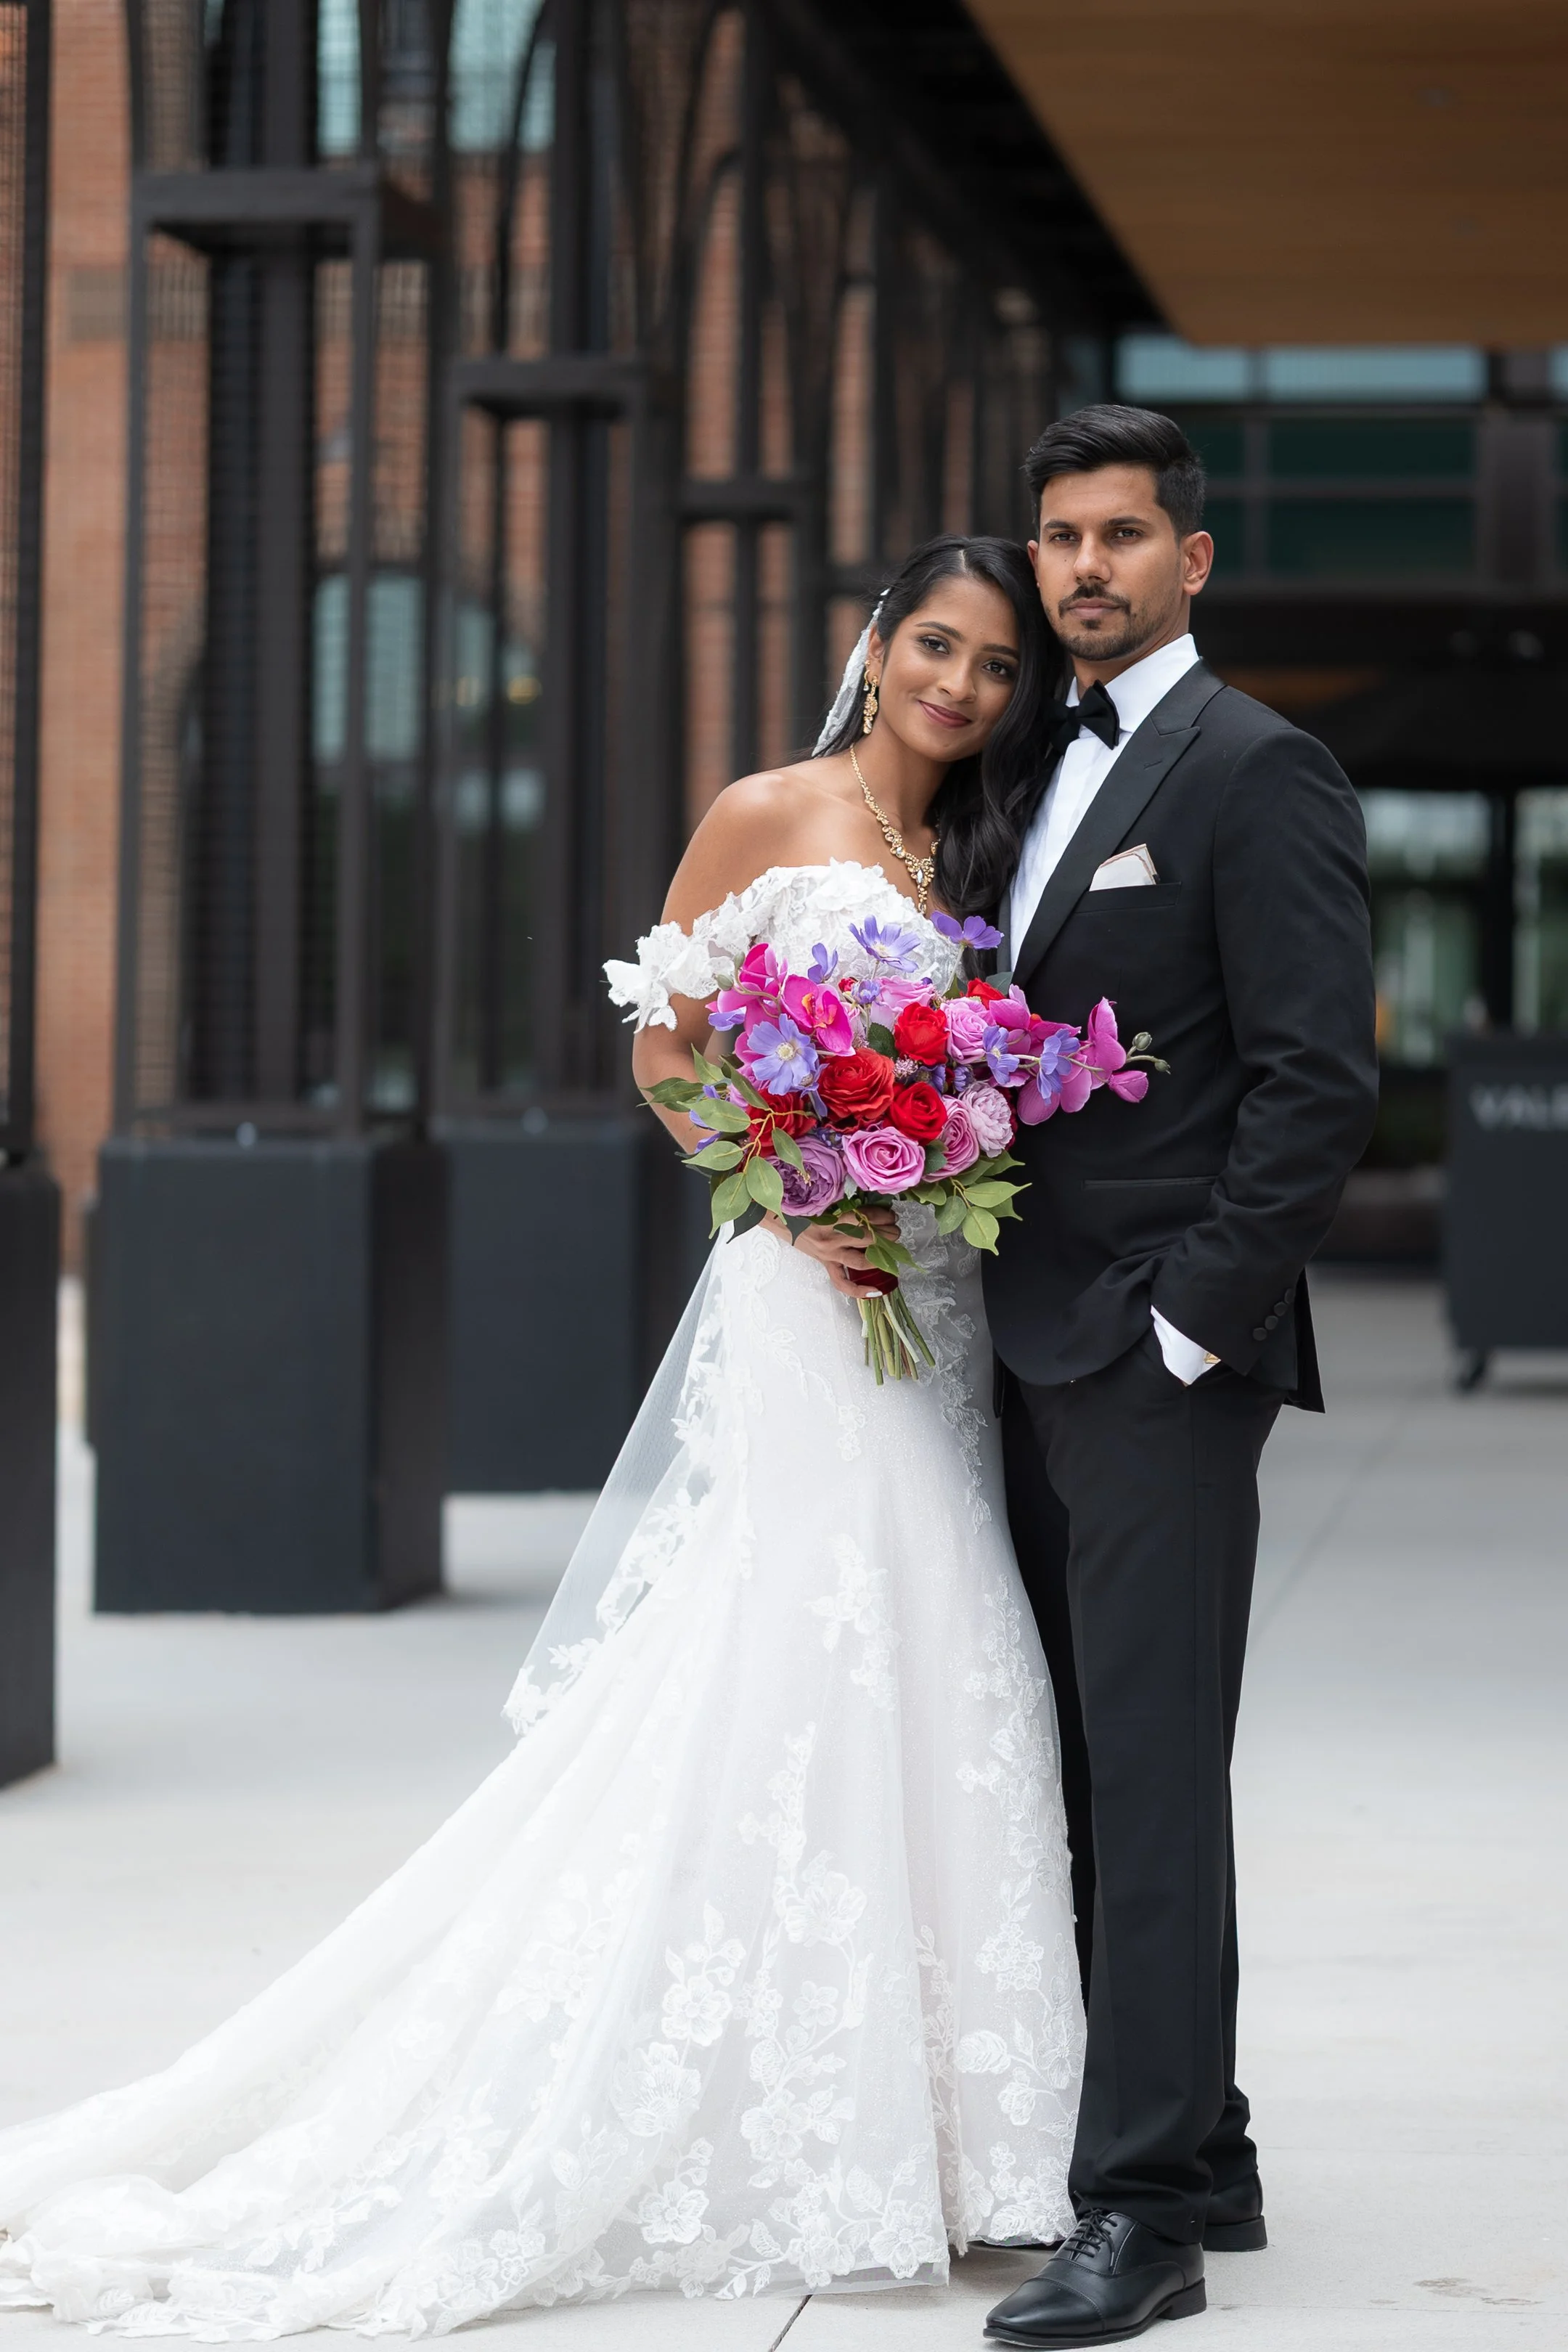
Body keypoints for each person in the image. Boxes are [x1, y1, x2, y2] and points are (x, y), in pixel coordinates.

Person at [0, 536, 1090, 2336]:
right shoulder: (770, 810)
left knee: (943, 1663)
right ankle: (782, 2121)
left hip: (935, 1309)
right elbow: (664, 1048)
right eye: (937, 647)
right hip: (805, 1297)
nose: (961, 688)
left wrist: (925, 1153)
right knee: (808, 1651)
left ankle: (944, 2135)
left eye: (994, 667)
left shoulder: (980, 853)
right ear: (877, 642)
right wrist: (789, 1170)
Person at [981, 408, 1379, 2349]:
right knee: (1071, 1765)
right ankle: (1200, 2137)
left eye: (1124, 533)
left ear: (1192, 561)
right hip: (1008, 1339)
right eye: (1059, 535)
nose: (1085, 568)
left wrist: (1189, 1323)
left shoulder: (1255, 767)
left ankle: (1140, 2219)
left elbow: (1320, 1081)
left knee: (1141, 1780)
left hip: (1150, 1357)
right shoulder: (1030, 766)